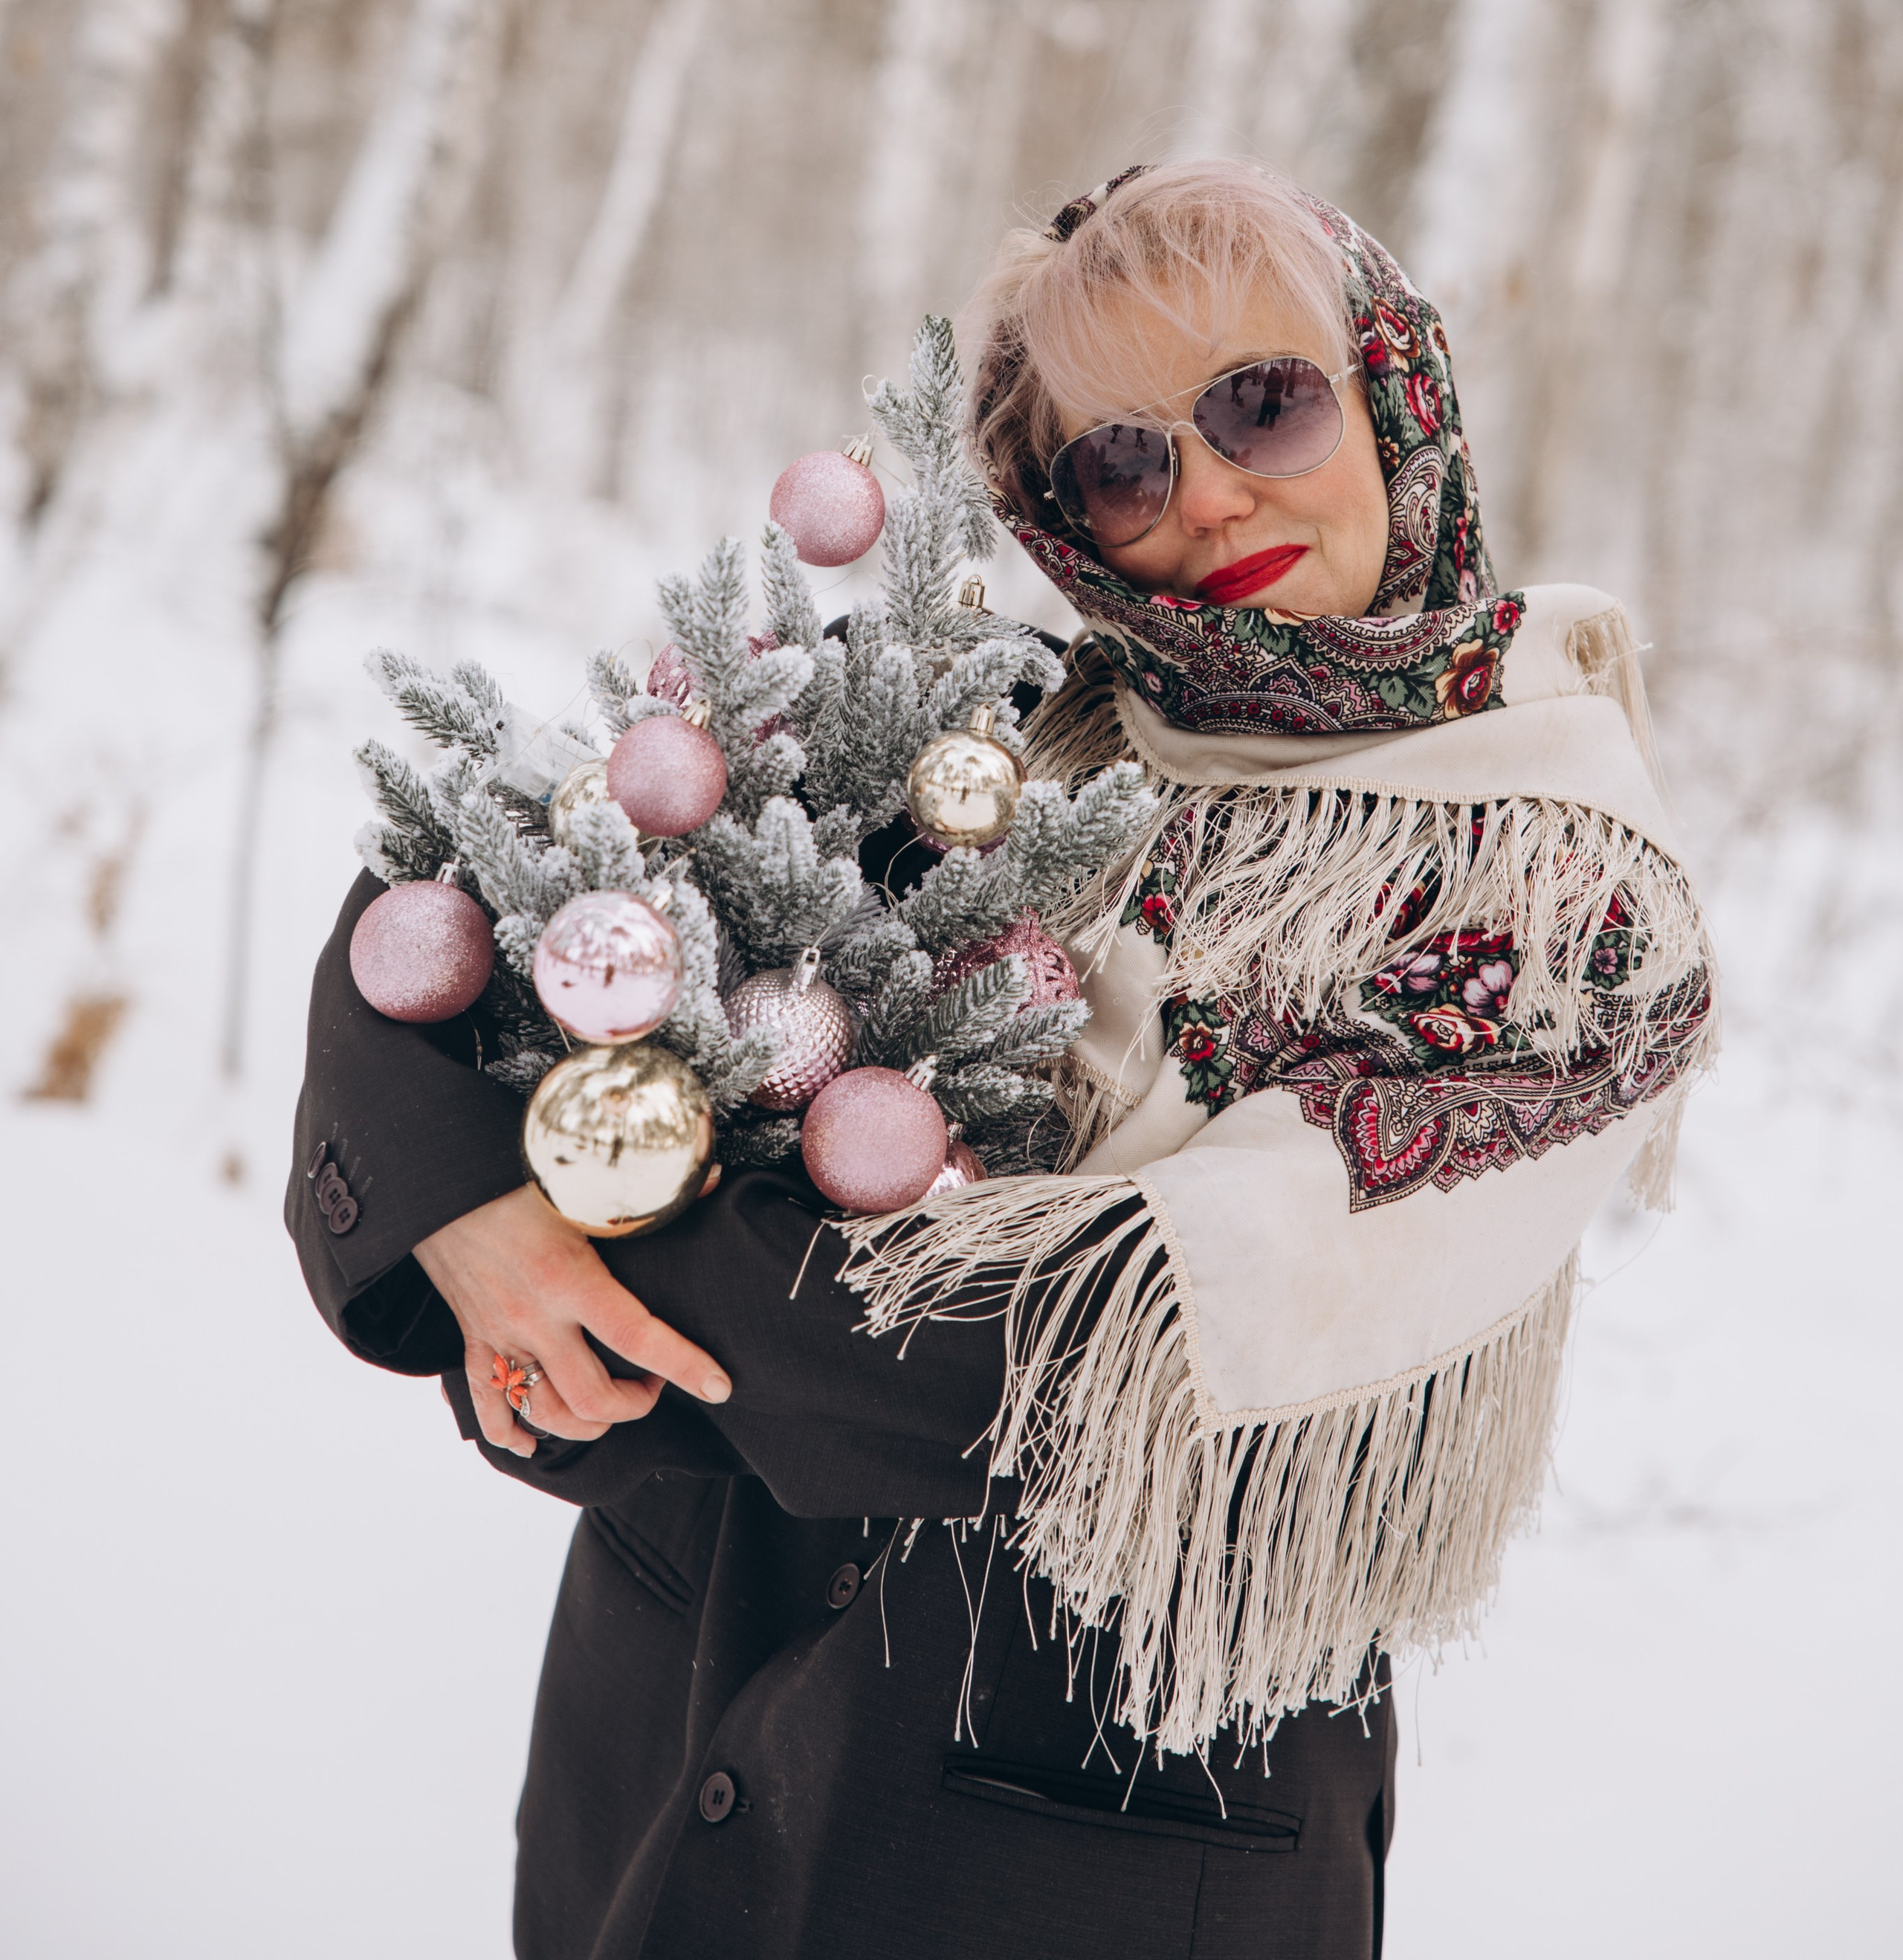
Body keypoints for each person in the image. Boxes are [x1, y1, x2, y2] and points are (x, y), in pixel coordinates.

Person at [289, 158, 1712, 1960]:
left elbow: (1106, 1349)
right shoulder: (987, 735)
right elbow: (479, 889)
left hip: (1086, 1851)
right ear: (1063, 526)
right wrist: (460, 1209)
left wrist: (568, 1242)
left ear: (1392, 387)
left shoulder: (1565, 896)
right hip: (668, 1745)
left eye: (1260, 401)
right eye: (1120, 464)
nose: (1202, 492)